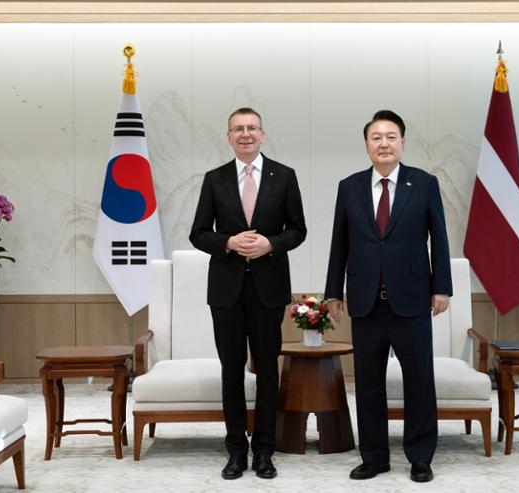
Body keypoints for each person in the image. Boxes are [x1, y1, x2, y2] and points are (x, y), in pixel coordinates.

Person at [324, 110, 452, 483]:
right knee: (367, 384)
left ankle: (420, 457)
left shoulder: (424, 184)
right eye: (376, 137)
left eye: (391, 136)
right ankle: (375, 456)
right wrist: (334, 292)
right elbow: (339, 244)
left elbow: (439, 238)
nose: (384, 143)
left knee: (419, 381)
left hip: (411, 300)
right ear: (367, 145)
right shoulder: (349, 187)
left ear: (403, 143)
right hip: (365, 302)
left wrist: (441, 286)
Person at [190, 107, 307, 480]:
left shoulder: (284, 176)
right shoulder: (214, 179)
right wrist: (228, 241)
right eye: (238, 129)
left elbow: (298, 230)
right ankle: (236, 451)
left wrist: (270, 244)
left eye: (252, 128)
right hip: (226, 291)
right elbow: (198, 233)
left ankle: (265, 452)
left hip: (269, 290)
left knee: (268, 371)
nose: (245, 134)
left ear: (263, 134)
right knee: (232, 372)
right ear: (228, 137)